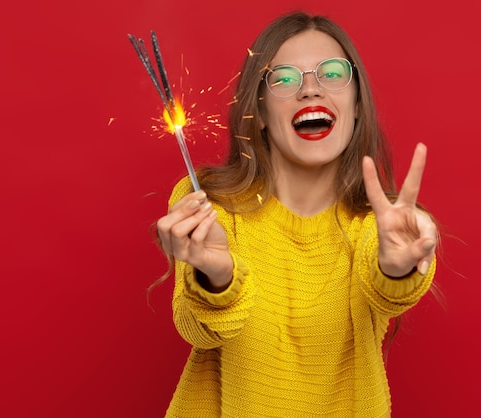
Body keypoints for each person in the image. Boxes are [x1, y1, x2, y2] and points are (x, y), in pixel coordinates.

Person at [155, 11, 438, 417]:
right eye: (284, 79)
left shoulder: (382, 223)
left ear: (357, 104)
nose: (310, 90)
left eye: (332, 73)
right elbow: (198, 329)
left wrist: (396, 269)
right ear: (261, 112)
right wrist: (218, 276)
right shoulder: (210, 203)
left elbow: (388, 290)